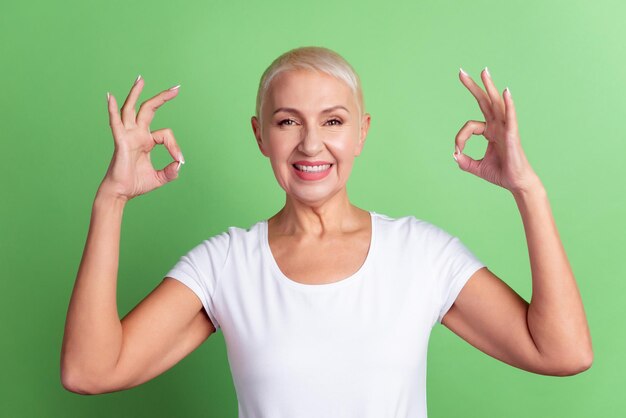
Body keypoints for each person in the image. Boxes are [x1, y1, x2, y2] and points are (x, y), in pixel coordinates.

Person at [61, 46, 593, 417]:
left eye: (333, 121)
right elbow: (91, 371)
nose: (311, 144)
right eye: (288, 121)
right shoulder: (226, 265)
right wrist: (111, 200)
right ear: (260, 135)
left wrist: (528, 190)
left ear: (361, 133)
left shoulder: (422, 255)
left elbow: (562, 353)